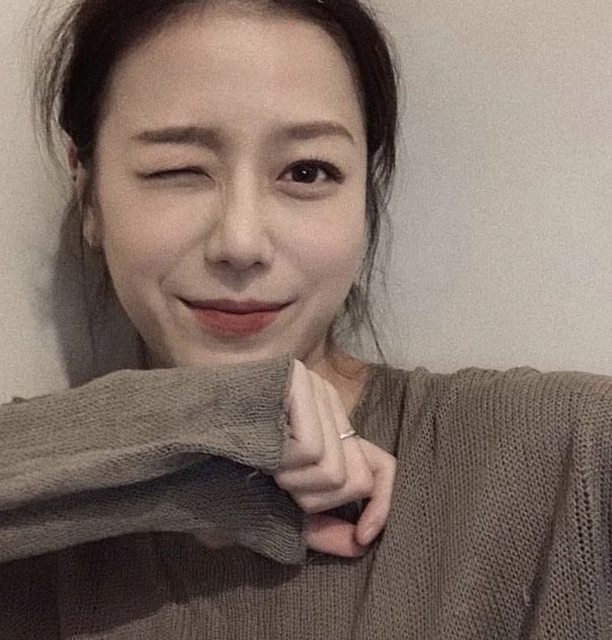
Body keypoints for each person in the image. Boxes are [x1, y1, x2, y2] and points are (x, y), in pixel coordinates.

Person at [1, 0, 610, 638]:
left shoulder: (560, 457)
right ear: (89, 195)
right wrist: (195, 432)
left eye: (307, 171)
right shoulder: (35, 509)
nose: (241, 243)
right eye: (177, 169)